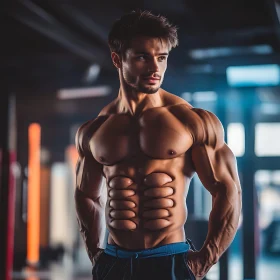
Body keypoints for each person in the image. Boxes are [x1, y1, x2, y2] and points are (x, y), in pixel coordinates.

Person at [75, 10, 242, 280]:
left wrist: (204, 259)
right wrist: (95, 254)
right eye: (142, 57)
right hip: (114, 261)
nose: (155, 68)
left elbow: (227, 190)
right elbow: (86, 195)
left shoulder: (191, 121)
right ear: (117, 59)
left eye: (161, 58)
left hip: (169, 260)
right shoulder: (94, 130)